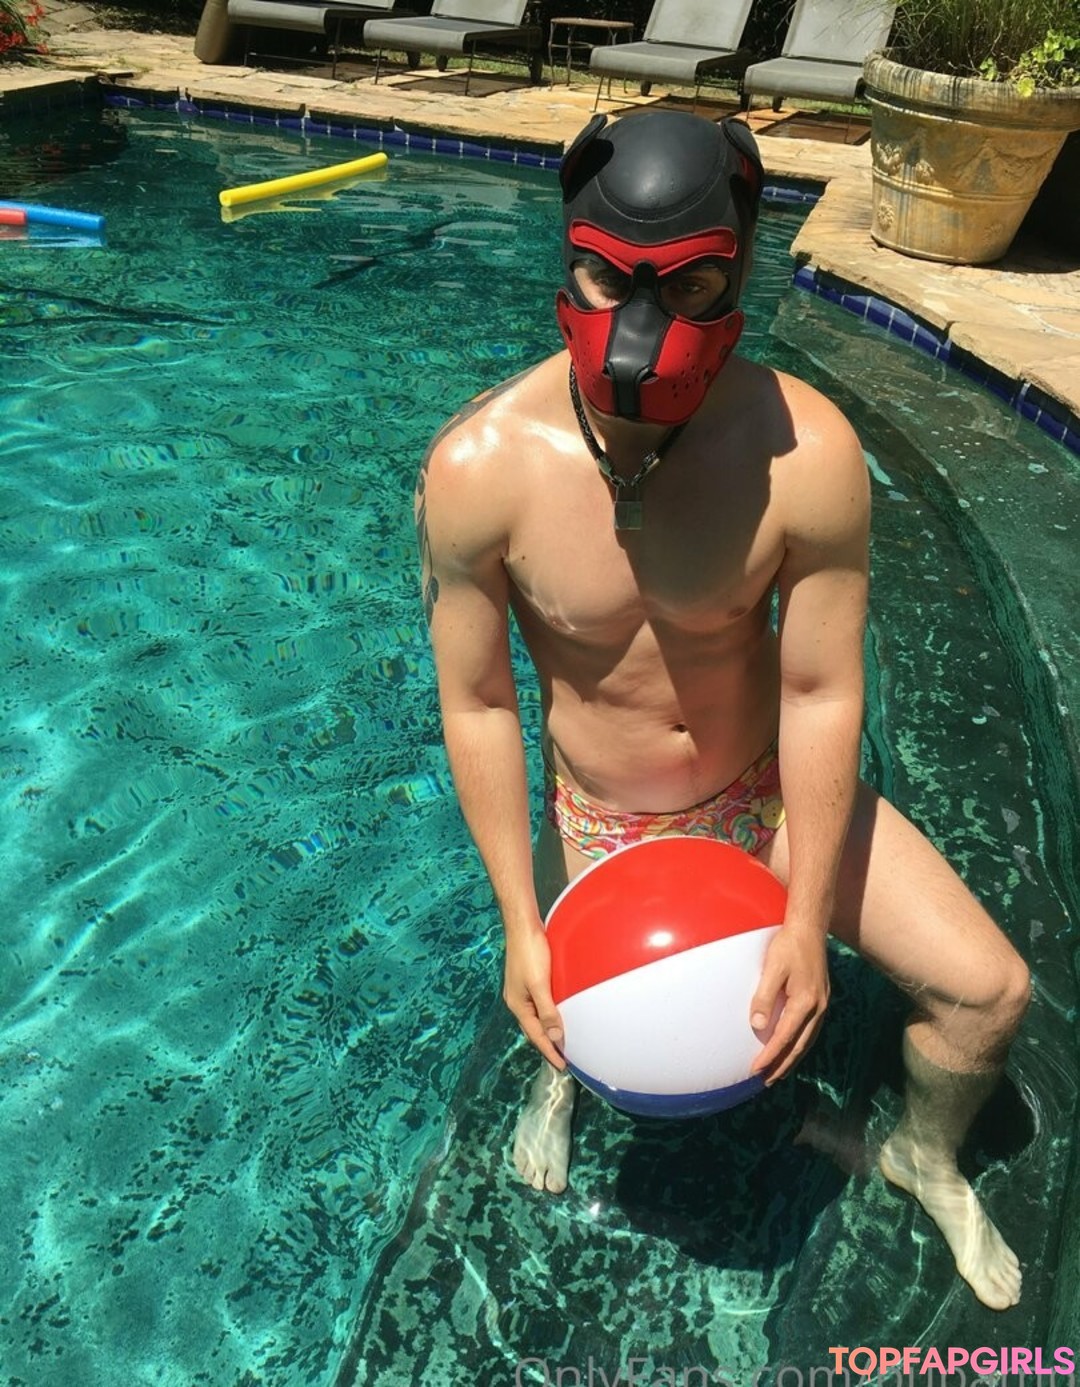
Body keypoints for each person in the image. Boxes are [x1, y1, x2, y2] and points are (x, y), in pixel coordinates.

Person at [414, 109, 1030, 1311]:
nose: (641, 327)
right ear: (568, 264)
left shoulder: (805, 454)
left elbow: (820, 687)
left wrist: (803, 916)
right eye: (607, 277)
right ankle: (557, 1080)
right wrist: (519, 919)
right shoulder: (481, 469)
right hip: (603, 824)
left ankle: (923, 1152)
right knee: (557, 1014)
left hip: (766, 800)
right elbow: (479, 702)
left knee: (988, 996)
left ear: (739, 277)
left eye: (692, 284)